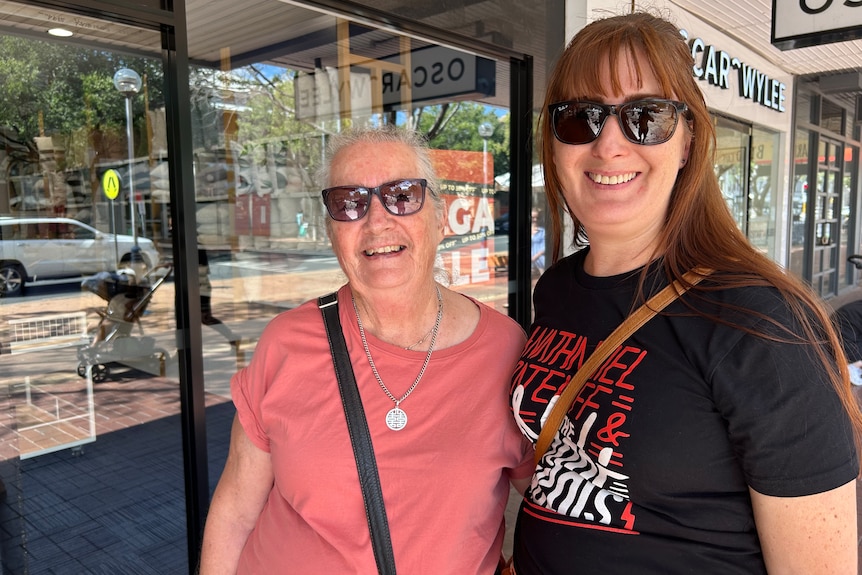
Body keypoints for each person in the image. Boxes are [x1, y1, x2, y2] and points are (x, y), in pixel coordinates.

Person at [509, 11, 861, 574]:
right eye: (580, 118)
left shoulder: (763, 323)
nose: (609, 145)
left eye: (645, 117)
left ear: (689, 139)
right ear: (554, 143)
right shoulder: (556, 290)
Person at [199, 126, 533, 574]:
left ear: (439, 218)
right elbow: (237, 510)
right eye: (349, 202)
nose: (377, 220)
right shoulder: (285, 343)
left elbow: (553, 508)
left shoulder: (507, 351)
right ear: (332, 232)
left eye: (402, 194)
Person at [530, 210, 545, 275]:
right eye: (533, 217)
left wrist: (534, 257)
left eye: (537, 218)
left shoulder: (542, 231)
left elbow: (544, 247)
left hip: (539, 258)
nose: (535, 220)